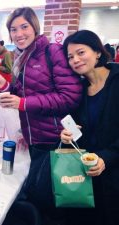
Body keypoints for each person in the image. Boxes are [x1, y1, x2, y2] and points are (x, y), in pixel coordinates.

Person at [0, 7, 83, 225]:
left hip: (56, 140)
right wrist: (3, 86)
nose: (19, 33)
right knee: (38, 196)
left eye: (24, 27)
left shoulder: (52, 52)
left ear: (35, 27)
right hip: (35, 139)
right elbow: (22, 93)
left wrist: (23, 103)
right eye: (13, 29)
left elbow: (70, 96)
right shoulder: (21, 57)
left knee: (52, 200)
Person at [61, 30, 119, 225]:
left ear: (97, 52)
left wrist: (107, 158)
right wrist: (67, 137)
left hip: (113, 174)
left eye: (80, 52)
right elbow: (80, 131)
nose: (75, 60)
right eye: (70, 57)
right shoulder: (80, 90)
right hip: (85, 173)